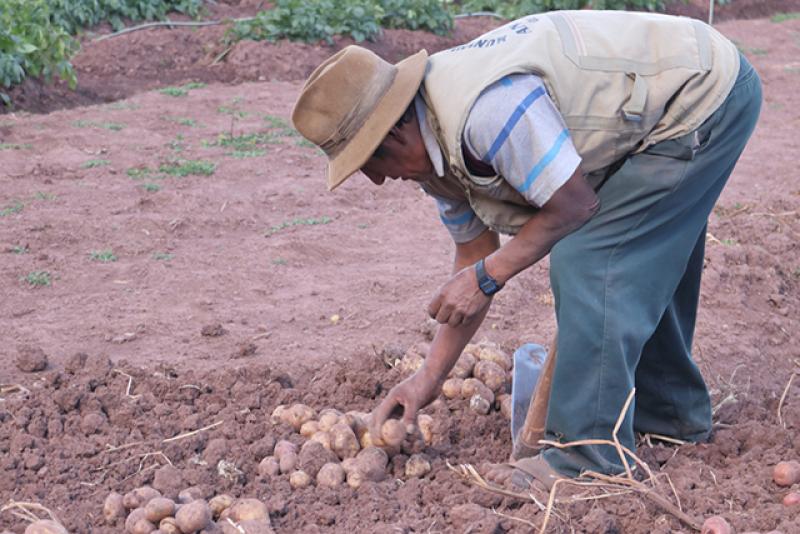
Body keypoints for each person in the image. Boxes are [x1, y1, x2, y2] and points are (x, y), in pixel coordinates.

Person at [291, 10, 762, 488]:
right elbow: (473, 265)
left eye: (370, 160)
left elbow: (574, 207)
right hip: (660, 106)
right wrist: (427, 379)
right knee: (640, 252)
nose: (375, 179)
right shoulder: (433, 160)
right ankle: (671, 417)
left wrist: (488, 276)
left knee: (591, 259)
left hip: (701, 96)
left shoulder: (486, 112)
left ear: (394, 130)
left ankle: (583, 459)